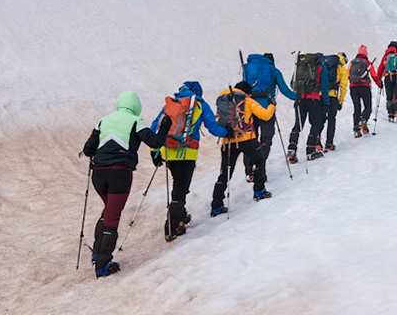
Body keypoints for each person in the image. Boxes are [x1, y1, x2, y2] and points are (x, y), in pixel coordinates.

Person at [80, 90, 164, 278]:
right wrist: (165, 126)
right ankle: (102, 265)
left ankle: (98, 251)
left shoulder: (103, 121)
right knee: (112, 217)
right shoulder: (136, 122)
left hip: (98, 175)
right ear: (136, 106)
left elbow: (87, 150)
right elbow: (156, 142)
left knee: (108, 211)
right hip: (120, 174)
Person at [151, 81, 227, 241]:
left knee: (177, 183)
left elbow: (154, 126)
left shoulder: (171, 103)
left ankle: (181, 215)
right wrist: (228, 132)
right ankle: (172, 226)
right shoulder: (199, 104)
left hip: (169, 151)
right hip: (188, 153)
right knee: (181, 188)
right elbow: (213, 127)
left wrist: (155, 150)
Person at [211, 80, 275, 216]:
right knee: (259, 159)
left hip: (227, 141)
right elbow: (265, 115)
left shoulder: (223, 101)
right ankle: (259, 190)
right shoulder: (247, 101)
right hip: (246, 139)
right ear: (247, 93)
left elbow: (219, 120)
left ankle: (216, 205)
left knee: (225, 172)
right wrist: (271, 104)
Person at [243, 52, 299, 164]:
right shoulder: (273, 71)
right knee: (266, 139)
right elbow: (284, 90)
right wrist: (297, 97)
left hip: (250, 108)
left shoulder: (248, 70)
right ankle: (259, 166)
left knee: (251, 139)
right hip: (267, 109)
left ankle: (249, 171)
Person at [347, 45, 375, 136]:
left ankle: (356, 129)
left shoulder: (352, 63)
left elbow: (347, 75)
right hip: (365, 87)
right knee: (368, 107)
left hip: (353, 88)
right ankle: (363, 119)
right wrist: (379, 84)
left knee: (357, 108)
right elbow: (374, 75)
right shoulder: (368, 62)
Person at [323, 51, 347, 151]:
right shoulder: (341, 68)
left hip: (321, 95)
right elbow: (343, 87)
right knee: (331, 119)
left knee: (320, 119)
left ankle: (316, 141)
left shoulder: (324, 63)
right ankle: (329, 143)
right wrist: (340, 101)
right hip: (332, 96)